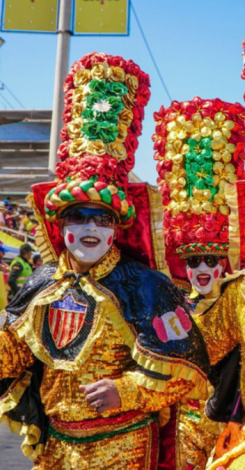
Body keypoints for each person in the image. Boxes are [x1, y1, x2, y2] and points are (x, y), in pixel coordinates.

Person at [0, 52, 209, 468]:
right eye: (78, 215)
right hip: (56, 447)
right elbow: (16, 359)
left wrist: (125, 391)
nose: (91, 227)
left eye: (102, 217)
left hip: (124, 445)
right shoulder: (41, 284)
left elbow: (186, 372)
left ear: (116, 227)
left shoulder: (146, 287)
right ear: (60, 226)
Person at [153, 95, 245, 469]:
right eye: (194, 261)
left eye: (211, 259)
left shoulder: (236, 298)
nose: (202, 268)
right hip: (186, 424)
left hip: (233, 423)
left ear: (224, 263)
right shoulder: (172, 304)